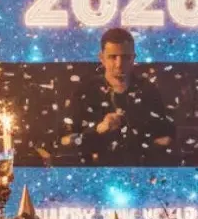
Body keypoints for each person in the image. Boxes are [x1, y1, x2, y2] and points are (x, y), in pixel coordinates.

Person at [60, 28, 175, 164]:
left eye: (125, 57)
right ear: (102, 58)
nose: (119, 64)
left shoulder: (148, 91)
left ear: (133, 58)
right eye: (113, 57)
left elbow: (166, 137)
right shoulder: (85, 91)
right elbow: (64, 141)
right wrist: (98, 129)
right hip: (96, 170)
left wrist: (146, 142)